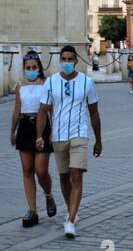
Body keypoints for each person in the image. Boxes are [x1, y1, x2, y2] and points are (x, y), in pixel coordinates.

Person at [35, 44, 102, 239]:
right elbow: (43, 110)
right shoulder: (51, 83)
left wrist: (98, 140)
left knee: (76, 175)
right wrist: (39, 135)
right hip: (58, 135)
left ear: (76, 61)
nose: (66, 63)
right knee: (64, 177)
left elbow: (94, 112)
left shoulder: (87, 83)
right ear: (59, 61)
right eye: (63, 59)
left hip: (79, 134)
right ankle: (72, 208)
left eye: (69, 59)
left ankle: (70, 221)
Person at [9, 49, 55, 228]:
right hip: (25, 126)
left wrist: (52, 132)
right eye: (28, 67)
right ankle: (32, 210)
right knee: (27, 169)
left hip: (42, 126)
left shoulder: (45, 84)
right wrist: (12, 131)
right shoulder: (19, 86)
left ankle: (48, 194)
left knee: (40, 170)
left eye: (34, 67)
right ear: (24, 68)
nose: (31, 70)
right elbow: (16, 110)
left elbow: (51, 110)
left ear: (39, 68)